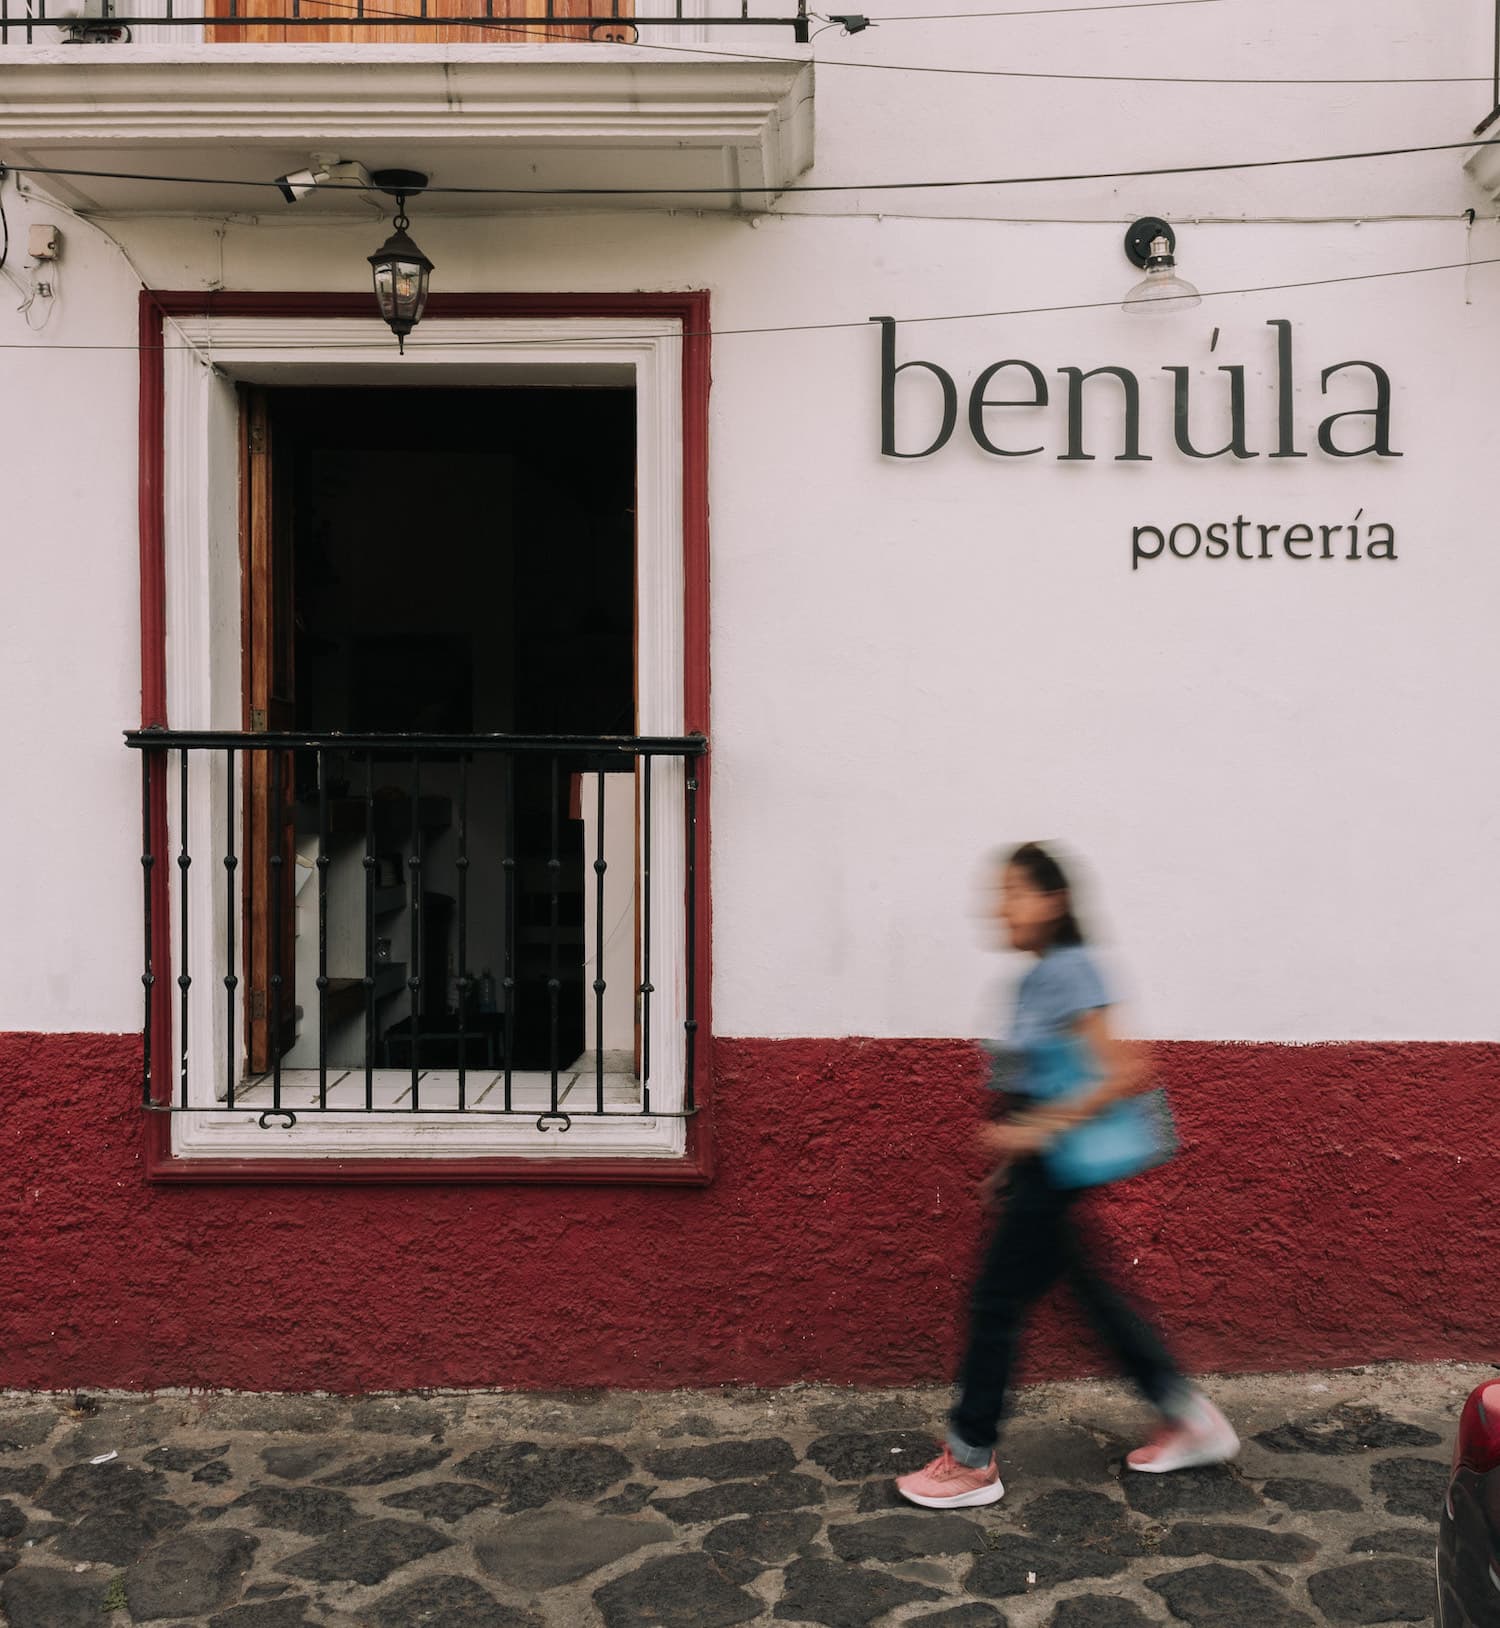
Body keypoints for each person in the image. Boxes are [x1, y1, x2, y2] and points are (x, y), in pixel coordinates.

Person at [896, 842, 1238, 1510]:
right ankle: (1188, 1415)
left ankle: (970, 1459)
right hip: (1041, 1171)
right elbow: (1029, 1081)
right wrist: (1010, 1159)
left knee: (996, 1303)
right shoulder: (1035, 978)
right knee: (1093, 1295)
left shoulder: (1072, 970)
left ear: (1053, 901)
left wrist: (1035, 1132)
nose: (1001, 907)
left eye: (1015, 892)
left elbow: (1124, 1069)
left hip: (1059, 1162)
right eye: (999, 893)